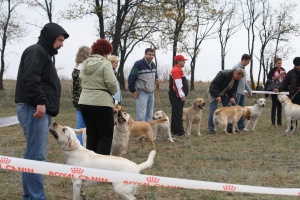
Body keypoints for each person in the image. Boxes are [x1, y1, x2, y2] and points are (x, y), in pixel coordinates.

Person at [15, 23, 69, 200]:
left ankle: (33, 196)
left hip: (38, 110)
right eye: (60, 40)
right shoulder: (36, 51)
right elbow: (31, 77)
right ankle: (34, 197)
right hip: (34, 109)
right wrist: (39, 101)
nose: (62, 44)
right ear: (50, 37)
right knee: (35, 156)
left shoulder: (44, 54)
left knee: (36, 155)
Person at [78, 38, 117, 155]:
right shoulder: (105, 63)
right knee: (105, 135)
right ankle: (100, 166)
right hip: (101, 103)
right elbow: (112, 83)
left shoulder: (84, 63)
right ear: (106, 52)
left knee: (91, 134)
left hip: (84, 102)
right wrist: (113, 92)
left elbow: (81, 80)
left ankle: (90, 164)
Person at [208, 68, 245, 133]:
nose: (239, 79)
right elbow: (214, 84)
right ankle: (211, 128)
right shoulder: (223, 74)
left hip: (224, 93)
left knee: (229, 108)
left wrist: (232, 97)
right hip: (214, 92)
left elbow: (234, 89)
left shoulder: (237, 79)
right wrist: (216, 95)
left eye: (240, 78)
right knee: (214, 110)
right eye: (239, 77)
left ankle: (229, 128)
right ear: (235, 73)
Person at [128, 48, 159, 122]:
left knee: (150, 114)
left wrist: (156, 79)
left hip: (151, 93)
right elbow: (132, 77)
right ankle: (140, 131)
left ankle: (148, 131)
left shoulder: (153, 64)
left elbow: (155, 75)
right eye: (149, 54)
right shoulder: (138, 63)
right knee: (141, 114)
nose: (151, 56)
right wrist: (133, 90)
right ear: (145, 55)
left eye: (152, 55)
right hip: (142, 92)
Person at [72, 46, 91, 145]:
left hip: (77, 99)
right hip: (87, 99)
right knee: (88, 125)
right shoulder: (86, 68)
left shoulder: (76, 67)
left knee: (80, 125)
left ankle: (78, 143)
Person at [274, 57, 300, 129]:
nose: (298, 67)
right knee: (293, 113)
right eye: (296, 65)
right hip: (293, 96)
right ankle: (292, 128)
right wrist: (278, 89)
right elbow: (284, 83)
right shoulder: (290, 73)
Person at [169, 55, 189, 136]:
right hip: (176, 95)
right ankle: (180, 131)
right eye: (183, 61)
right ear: (179, 61)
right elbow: (178, 84)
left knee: (175, 112)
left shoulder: (178, 70)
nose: (184, 62)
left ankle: (174, 129)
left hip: (174, 95)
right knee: (178, 113)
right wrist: (181, 95)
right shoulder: (176, 70)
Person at [231, 54, 252, 131]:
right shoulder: (236, 67)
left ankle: (241, 126)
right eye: (248, 61)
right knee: (235, 110)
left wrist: (249, 91)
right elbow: (232, 79)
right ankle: (233, 126)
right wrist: (233, 93)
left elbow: (244, 82)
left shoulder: (244, 69)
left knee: (242, 110)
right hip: (237, 93)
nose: (248, 63)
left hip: (242, 92)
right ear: (243, 60)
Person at [267, 58, 286, 126]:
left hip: (281, 89)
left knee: (280, 105)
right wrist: (278, 75)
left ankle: (279, 122)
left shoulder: (283, 70)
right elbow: (269, 79)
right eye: (278, 63)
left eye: (280, 63)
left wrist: (284, 75)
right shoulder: (272, 70)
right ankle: (273, 122)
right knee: (274, 105)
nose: (279, 64)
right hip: (274, 89)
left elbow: (285, 80)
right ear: (275, 63)